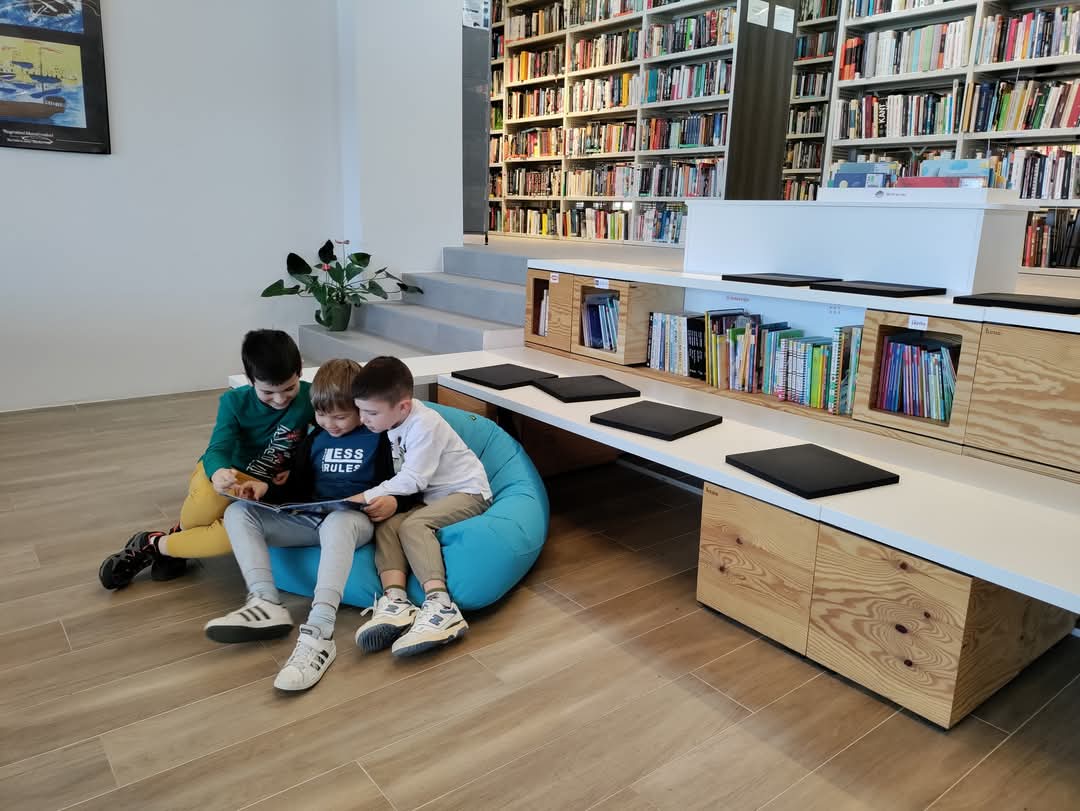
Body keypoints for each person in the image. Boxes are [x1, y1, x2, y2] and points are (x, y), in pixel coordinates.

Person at [204, 359, 411, 691]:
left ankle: (319, 632)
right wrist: (265, 490)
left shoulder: (380, 438)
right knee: (238, 512)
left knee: (338, 521)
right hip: (311, 517)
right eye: (321, 415)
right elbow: (297, 487)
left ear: (360, 409)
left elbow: (409, 484)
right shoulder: (315, 439)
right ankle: (265, 602)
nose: (330, 424)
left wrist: (394, 502)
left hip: (352, 521)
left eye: (340, 416)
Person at [97, 330, 314, 590]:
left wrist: (298, 468)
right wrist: (219, 472)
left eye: (289, 388)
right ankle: (180, 540)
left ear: (300, 371)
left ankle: (153, 544)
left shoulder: (311, 397)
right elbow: (218, 447)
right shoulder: (234, 401)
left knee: (234, 535)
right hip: (229, 472)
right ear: (249, 379)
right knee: (205, 506)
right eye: (268, 392)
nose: (280, 399)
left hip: (264, 488)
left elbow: (327, 437)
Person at [351, 356, 492, 657]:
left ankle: (442, 606)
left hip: (469, 493)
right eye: (360, 410)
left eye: (371, 412)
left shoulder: (425, 424)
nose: (363, 419)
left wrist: (366, 496)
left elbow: (415, 478)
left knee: (413, 525)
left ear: (403, 406)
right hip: (432, 498)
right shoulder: (392, 422)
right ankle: (396, 601)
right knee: (388, 525)